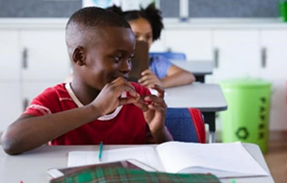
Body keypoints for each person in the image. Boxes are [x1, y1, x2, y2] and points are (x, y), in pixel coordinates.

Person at [1, 7, 172, 155]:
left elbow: (169, 157)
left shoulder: (138, 95)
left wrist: (158, 130)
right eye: (118, 57)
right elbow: (11, 141)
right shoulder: (55, 100)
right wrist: (95, 109)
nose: (127, 67)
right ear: (80, 57)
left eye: (129, 58)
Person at [107, 3, 195, 88]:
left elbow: (188, 76)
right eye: (136, 36)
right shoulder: (111, 62)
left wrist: (161, 82)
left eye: (148, 36)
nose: (143, 41)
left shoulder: (155, 62)